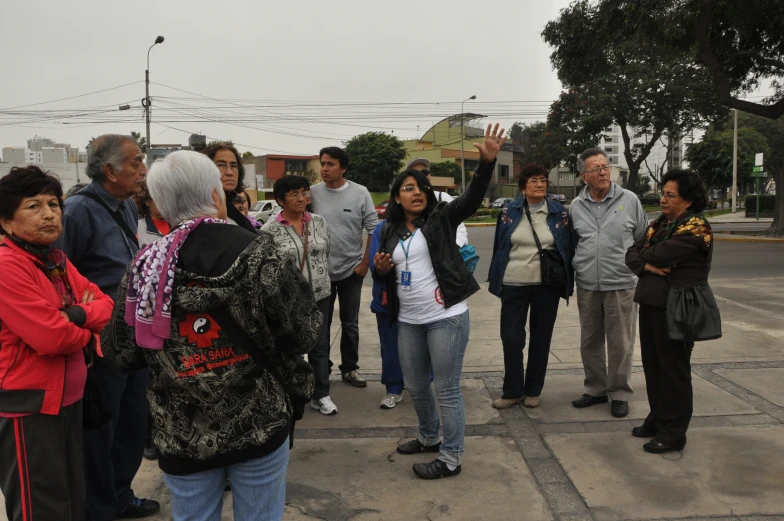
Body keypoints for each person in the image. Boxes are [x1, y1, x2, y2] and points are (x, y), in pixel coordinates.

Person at [102, 151, 320, 521]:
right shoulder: (261, 252)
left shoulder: (146, 266)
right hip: (259, 423)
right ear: (216, 196)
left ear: (161, 204)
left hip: (182, 431)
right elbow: (303, 334)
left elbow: (122, 353)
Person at [372, 123, 506, 480]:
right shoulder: (389, 230)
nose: (415, 192)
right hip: (409, 321)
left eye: (420, 188)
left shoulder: (441, 218)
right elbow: (385, 273)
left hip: (445, 316)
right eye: (407, 188)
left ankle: (451, 456)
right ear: (397, 196)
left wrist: (487, 164)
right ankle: (429, 437)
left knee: (445, 388)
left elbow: (472, 198)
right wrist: (380, 268)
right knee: (416, 385)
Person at [54, 134, 160, 520]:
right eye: (135, 162)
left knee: (133, 421)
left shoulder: (126, 207)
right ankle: (98, 508)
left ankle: (120, 494)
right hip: (100, 342)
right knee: (103, 428)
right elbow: (62, 280)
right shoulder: (78, 211)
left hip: (133, 333)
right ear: (110, 169)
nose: (142, 170)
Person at [0, 166, 114, 521]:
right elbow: (51, 337)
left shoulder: (55, 260)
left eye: (53, 203)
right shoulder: (8, 265)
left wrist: (75, 316)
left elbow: (106, 305)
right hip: (31, 406)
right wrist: (86, 326)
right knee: (42, 507)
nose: (49, 213)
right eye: (33, 206)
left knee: (71, 499)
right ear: (5, 222)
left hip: (69, 400)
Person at [625, 169, 712, 454]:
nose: (662, 199)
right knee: (653, 366)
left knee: (673, 369)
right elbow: (632, 253)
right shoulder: (662, 223)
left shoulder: (696, 227)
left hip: (677, 308)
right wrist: (646, 264)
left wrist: (645, 256)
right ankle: (658, 418)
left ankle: (674, 432)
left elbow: (657, 253)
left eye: (669, 195)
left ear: (687, 200)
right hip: (652, 304)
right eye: (663, 193)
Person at [487, 163, 575, 409]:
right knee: (511, 338)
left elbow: (568, 249)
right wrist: (496, 278)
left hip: (546, 285)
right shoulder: (508, 212)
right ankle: (512, 390)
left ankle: (534, 389)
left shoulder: (560, 213)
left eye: (543, 180)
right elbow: (500, 247)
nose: (539, 184)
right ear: (523, 186)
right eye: (534, 180)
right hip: (513, 284)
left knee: (541, 338)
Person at [569, 147, 648, 419]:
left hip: (622, 283)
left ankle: (619, 393)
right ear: (584, 176)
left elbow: (642, 239)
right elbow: (573, 242)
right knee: (589, 341)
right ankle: (595, 388)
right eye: (596, 169)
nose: (603, 172)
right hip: (588, 283)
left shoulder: (630, 200)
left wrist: (633, 269)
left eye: (606, 166)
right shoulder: (576, 206)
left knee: (621, 343)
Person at [261, 176, 334, 415]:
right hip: (289, 302)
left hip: (321, 296)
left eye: (304, 192)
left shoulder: (319, 222)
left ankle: (321, 395)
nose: (302, 198)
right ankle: (292, 395)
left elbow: (326, 252)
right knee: (290, 349)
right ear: (280, 200)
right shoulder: (269, 230)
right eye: (294, 194)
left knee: (320, 348)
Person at [310, 146, 378, 388]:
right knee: (321, 324)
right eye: (323, 163)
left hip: (351, 270)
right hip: (320, 273)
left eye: (330, 164)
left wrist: (365, 263)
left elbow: (373, 228)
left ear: (343, 168)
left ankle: (350, 368)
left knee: (350, 324)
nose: (324, 168)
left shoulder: (360, 193)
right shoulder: (311, 193)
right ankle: (322, 369)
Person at [405, 158, 468, 247]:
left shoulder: (443, 198)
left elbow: (459, 228)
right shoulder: (405, 201)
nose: (421, 176)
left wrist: (453, 249)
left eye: (425, 172)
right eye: (415, 172)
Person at [201, 142, 258, 234]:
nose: (230, 172)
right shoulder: (201, 211)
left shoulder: (232, 208)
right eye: (221, 165)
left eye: (234, 166)